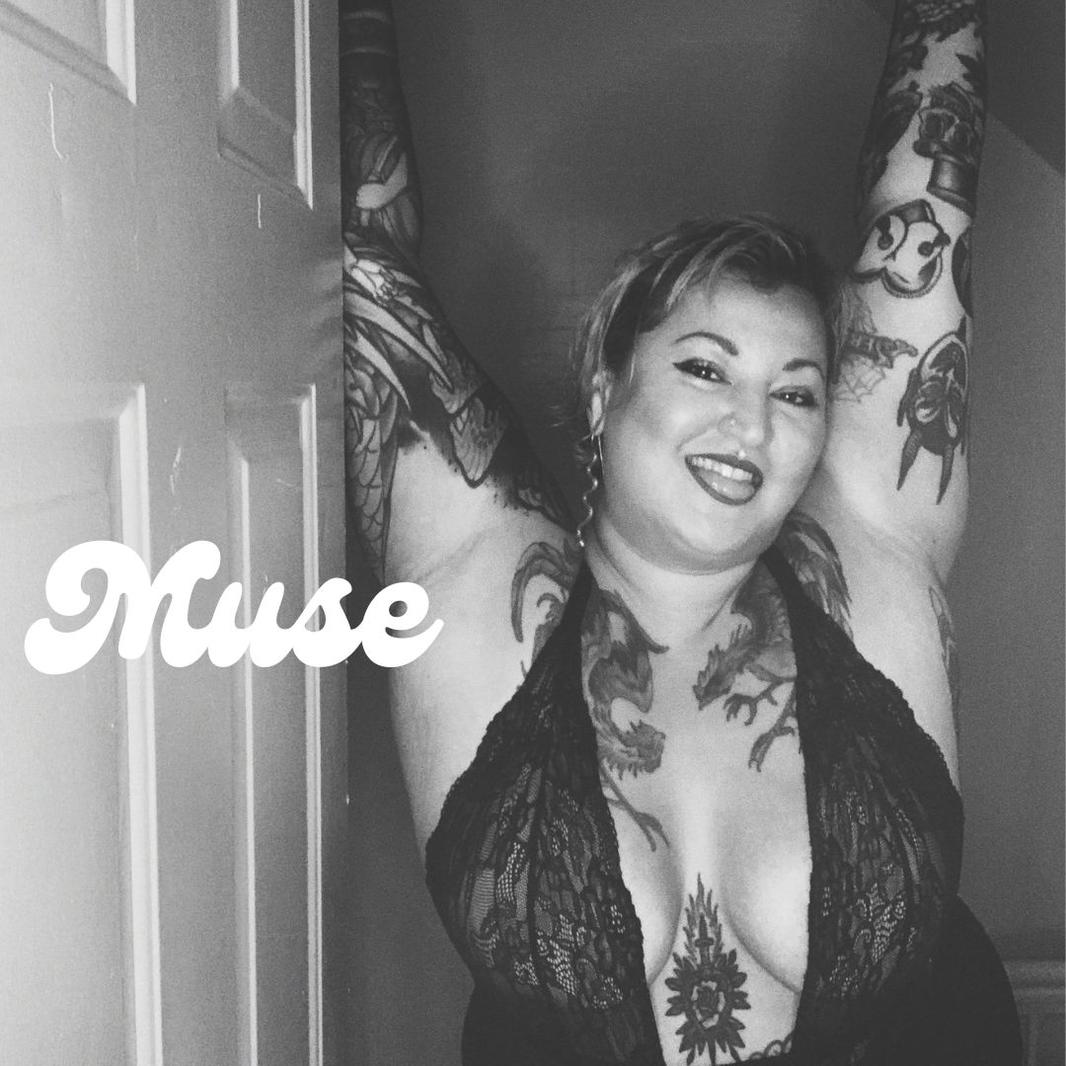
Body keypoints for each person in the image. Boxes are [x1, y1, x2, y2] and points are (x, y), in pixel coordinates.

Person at [340, 2, 1020, 1063]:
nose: (752, 424)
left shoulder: (870, 555)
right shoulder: (482, 578)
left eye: (795, 392)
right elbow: (357, 252)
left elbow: (931, 193)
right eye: (706, 367)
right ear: (604, 390)